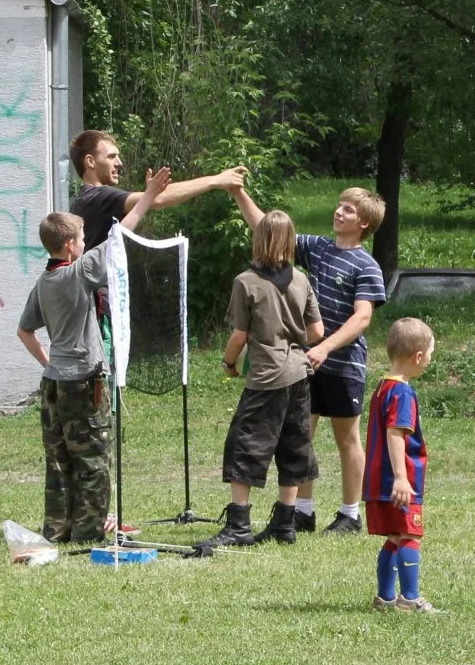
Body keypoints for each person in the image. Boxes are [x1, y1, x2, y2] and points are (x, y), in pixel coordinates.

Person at [16, 168, 171, 545]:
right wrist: (148, 194)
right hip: (84, 382)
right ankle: (87, 533)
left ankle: (57, 529)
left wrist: (49, 363)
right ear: (70, 245)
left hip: (53, 382)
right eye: (84, 238)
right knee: (94, 461)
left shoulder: (44, 281)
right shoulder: (78, 273)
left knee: (60, 462)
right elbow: (121, 234)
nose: (87, 243)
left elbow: (24, 330)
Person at [232, 185, 387, 535]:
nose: (338, 212)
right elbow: (267, 230)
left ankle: (350, 514)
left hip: (343, 365)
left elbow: (362, 318)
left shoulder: (367, 265)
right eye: (339, 205)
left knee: (347, 438)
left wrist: (325, 347)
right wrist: (237, 192)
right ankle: (302, 511)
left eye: (347, 209)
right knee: (302, 435)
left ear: (363, 222)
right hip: (305, 364)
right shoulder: (318, 248)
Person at [197, 211, 325, 550]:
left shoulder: (246, 282)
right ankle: (285, 522)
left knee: (244, 445)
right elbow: (317, 331)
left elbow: (239, 336)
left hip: (267, 376)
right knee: (294, 445)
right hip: (299, 374)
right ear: (290, 240)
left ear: (258, 238)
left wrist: (228, 364)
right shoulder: (301, 279)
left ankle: (239, 524)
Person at [365, 317, 438, 613]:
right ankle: (410, 598)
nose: (430, 360)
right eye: (431, 354)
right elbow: (395, 433)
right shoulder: (403, 394)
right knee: (410, 535)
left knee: (395, 537)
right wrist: (400, 478)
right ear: (418, 356)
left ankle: (384, 598)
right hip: (398, 481)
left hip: (377, 481)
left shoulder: (383, 387)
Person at [67, 130, 245, 250]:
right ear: (90, 161)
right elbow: (158, 198)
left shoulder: (81, 201)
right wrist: (215, 180)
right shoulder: (99, 197)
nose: (119, 163)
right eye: (112, 157)